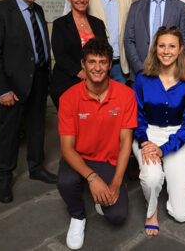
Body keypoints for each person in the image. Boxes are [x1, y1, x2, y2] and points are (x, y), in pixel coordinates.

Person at [57, 37, 137, 250]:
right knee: (65, 182)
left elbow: (125, 141)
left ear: (111, 64)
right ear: (83, 64)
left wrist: (117, 182)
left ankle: (101, 191)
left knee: (117, 216)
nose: (98, 67)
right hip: (79, 156)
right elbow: (66, 149)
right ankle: (77, 215)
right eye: (92, 62)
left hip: (108, 159)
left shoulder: (127, 95)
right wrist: (93, 178)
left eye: (103, 62)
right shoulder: (68, 98)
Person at [0, 0, 57, 204]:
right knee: (10, 132)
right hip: (13, 85)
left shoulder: (37, 10)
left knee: (37, 126)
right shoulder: (1, 12)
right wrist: (2, 89)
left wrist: (46, 77)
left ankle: (36, 167)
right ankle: (4, 177)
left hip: (38, 79)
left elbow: (40, 45)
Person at [132, 26, 185, 236]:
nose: (166, 51)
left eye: (172, 46)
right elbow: (137, 116)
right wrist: (145, 142)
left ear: (180, 49)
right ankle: (151, 209)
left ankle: (171, 186)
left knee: (181, 214)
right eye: (162, 46)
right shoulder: (142, 78)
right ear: (155, 48)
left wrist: (163, 150)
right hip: (147, 134)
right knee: (151, 178)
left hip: (176, 137)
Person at [124, 0, 185, 80]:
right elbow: (129, 40)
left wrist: (170, 67)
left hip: (170, 75)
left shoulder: (180, 7)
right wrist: (140, 68)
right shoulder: (136, 7)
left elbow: (183, 41)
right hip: (140, 73)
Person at [49, 0, 107, 109]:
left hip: (96, 82)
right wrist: (83, 75)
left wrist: (95, 77)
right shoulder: (60, 24)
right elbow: (60, 55)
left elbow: (105, 52)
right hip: (68, 82)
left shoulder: (98, 23)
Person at [88, 0, 133, 84]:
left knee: (118, 104)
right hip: (96, 66)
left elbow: (130, 34)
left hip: (120, 67)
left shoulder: (126, 0)